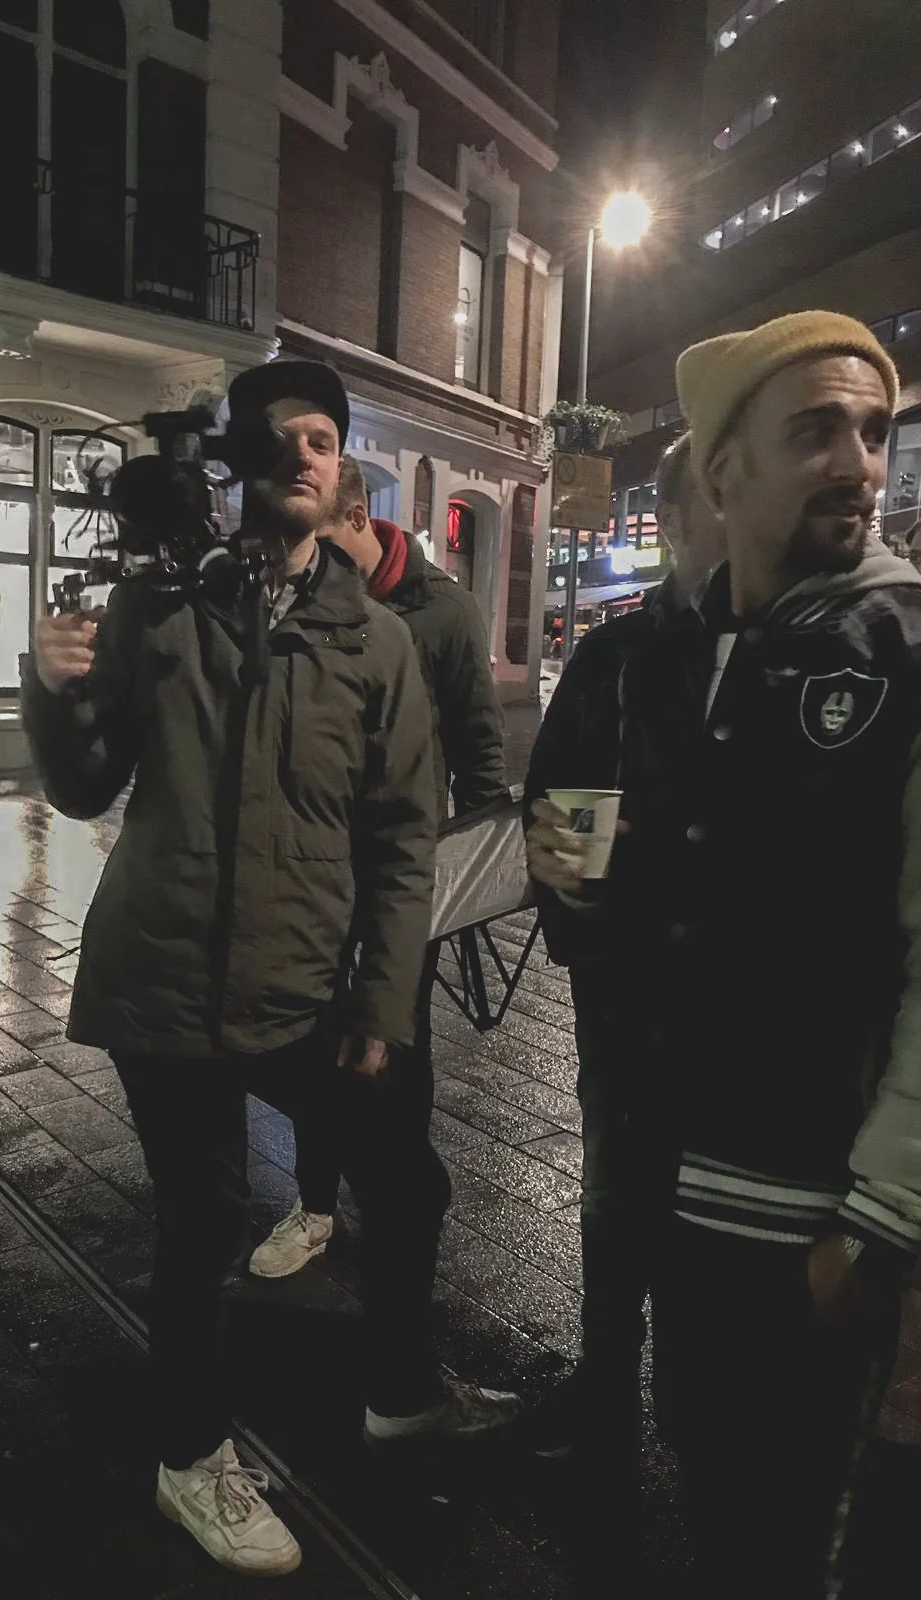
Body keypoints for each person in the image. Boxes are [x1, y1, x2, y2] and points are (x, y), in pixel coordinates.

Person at [22, 359, 517, 1580]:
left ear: (342, 467)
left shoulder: (376, 639)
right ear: (239, 460)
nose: (308, 453)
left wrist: (386, 1001)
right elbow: (84, 784)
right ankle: (191, 1457)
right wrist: (49, 692)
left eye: (326, 438)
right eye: (284, 436)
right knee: (202, 1218)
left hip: (308, 986)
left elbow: (407, 839)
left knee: (405, 1182)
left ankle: (400, 1394)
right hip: (163, 977)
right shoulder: (159, 608)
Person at [534, 312, 921, 1595]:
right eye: (815, 430)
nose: (860, 462)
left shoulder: (905, 651)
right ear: (722, 471)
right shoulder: (672, 658)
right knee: (707, 1484)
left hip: (810, 1221)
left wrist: (877, 1223)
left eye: (873, 430)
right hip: (669, 1182)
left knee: (792, 1533)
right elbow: (659, 893)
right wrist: (581, 885)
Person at [249, 456, 510, 1278]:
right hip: (313, 874)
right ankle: (318, 1206)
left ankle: (402, 1205)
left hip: (404, 876)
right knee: (313, 1038)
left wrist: (471, 872)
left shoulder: (443, 611)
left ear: (357, 516)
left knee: (400, 1045)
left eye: (321, 534)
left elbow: (479, 747)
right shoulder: (298, 599)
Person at [521, 434, 725, 1480]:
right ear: (680, 521)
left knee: (714, 1208)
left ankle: (698, 1406)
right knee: (619, 1185)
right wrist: (597, 891)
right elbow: (554, 817)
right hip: (630, 988)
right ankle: (607, 1382)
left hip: (755, 1010)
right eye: (716, 503)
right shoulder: (614, 657)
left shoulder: (804, 658)